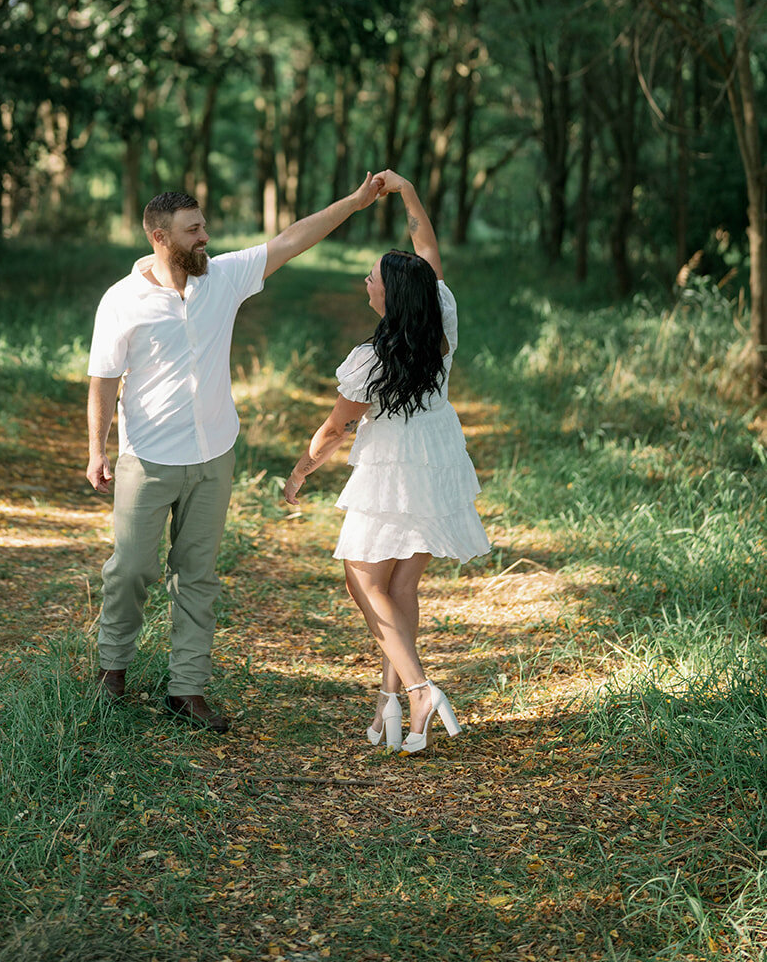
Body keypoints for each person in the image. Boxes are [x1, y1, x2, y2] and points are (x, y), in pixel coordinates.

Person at [86, 173, 384, 733]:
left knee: (196, 576)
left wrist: (358, 199)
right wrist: (95, 450)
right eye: (192, 230)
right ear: (158, 236)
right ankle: (112, 670)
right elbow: (102, 379)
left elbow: (294, 239)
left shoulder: (220, 277)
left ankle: (187, 690)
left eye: (203, 226)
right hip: (147, 458)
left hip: (214, 454)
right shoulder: (122, 301)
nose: (204, 237)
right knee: (130, 568)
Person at [282, 170, 490, 753]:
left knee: (362, 576)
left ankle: (420, 691)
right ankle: (389, 706)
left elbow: (334, 429)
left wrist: (301, 469)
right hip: (439, 461)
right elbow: (427, 248)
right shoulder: (440, 320)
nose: (365, 279)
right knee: (400, 589)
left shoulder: (370, 362)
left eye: (371, 275)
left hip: (391, 475)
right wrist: (406, 193)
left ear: (388, 296)